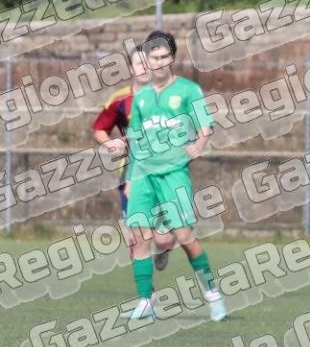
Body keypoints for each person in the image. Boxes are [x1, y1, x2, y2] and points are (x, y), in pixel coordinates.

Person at [124, 30, 225, 322]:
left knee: (183, 236)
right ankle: (145, 301)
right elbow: (136, 141)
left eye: (164, 56)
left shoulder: (188, 90)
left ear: (172, 58)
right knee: (139, 236)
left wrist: (199, 145)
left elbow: (205, 125)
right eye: (153, 57)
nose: (159, 62)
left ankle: (213, 295)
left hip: (173, 174)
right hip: (143, 175)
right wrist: (130, 177)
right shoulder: (141, 97)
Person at [91, 47, 173, 271]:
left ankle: (164, 248)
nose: (144, 68)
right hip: (130, 173)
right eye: (139, 63)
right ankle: (146, 291)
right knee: (134, 238)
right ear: (131, 69)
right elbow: (99, 129)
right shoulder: (120, 100)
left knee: (163, 239)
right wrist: (110, 143)